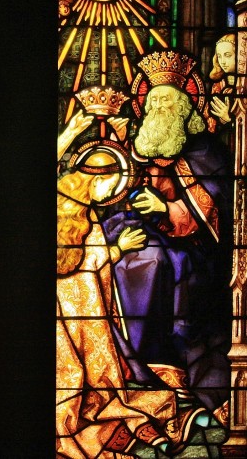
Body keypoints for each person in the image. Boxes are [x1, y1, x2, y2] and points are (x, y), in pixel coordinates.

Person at [56, 113, 209, 457]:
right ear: (94, 181)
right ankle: (139, 421)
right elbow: (70, 266)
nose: (112, 193)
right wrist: (118, 250)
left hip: (81, 311)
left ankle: (150, 418)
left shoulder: (79, 208)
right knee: (95, 384)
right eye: (110, 185)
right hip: (67, 318)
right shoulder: (68, 211)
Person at [107, 83, 233, 420]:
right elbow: (116, 191)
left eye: (167, 99)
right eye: (153, 101)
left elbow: (217, 211)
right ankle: (126, 367)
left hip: (195, 248)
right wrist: (120, 147)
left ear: (184, 107)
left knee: (152, 262)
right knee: (114, 257)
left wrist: (165, 208)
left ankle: (161, 368)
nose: (158, 107)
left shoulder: (205, 150)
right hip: (146, 232)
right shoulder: (143, 144)